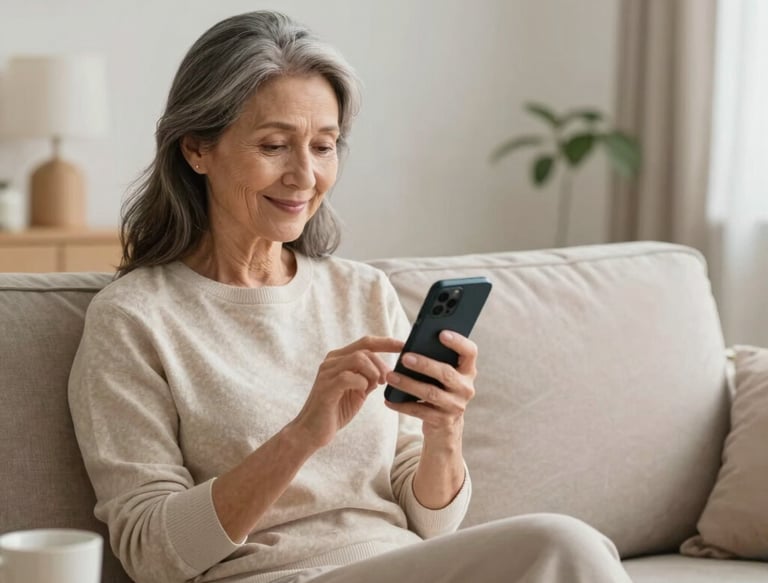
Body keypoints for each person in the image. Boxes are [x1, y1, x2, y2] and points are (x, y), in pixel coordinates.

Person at [68, 11, 632, 583]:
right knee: (562, 544)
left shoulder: (360, 291)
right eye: (273, 146)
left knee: (568, 548)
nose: (305, 175)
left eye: (324, 145)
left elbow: (433, 526)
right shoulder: (135, 319)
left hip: (401, 565)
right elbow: (149, 554)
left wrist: (445, 431)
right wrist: (301, 435)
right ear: (197, 150)